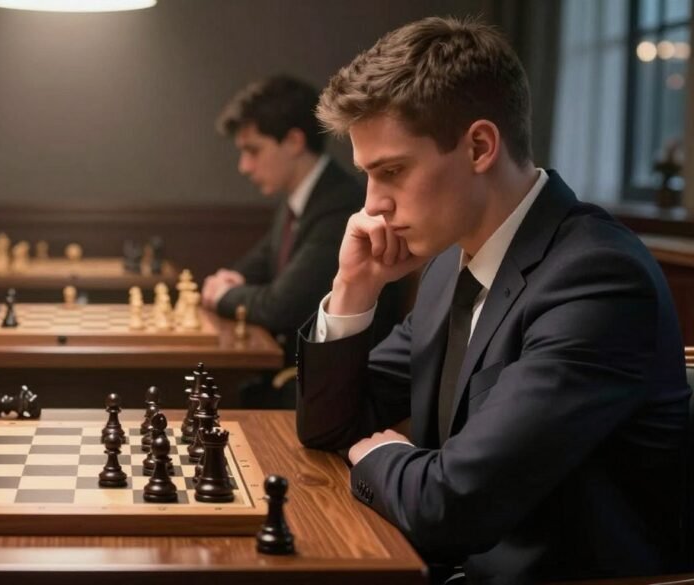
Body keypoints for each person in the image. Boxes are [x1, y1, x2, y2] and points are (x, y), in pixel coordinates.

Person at [296, 17, 691, 583]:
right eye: (367, 176)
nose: (372, 206)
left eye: (393, 172)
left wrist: (383, 456)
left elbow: (450, 506)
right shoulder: (447, 270)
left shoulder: (598, 277)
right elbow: (331, 429)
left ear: (479, 146)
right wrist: (352, 289)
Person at [204, 75, 405, 406]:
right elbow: (260, 262)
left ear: (295, 141)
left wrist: (224, 293)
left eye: (253, 150)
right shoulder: (299, 199)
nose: (244, 166)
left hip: (340, 393)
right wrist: (234, 280)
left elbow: (281, 306)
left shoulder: (340, 203)